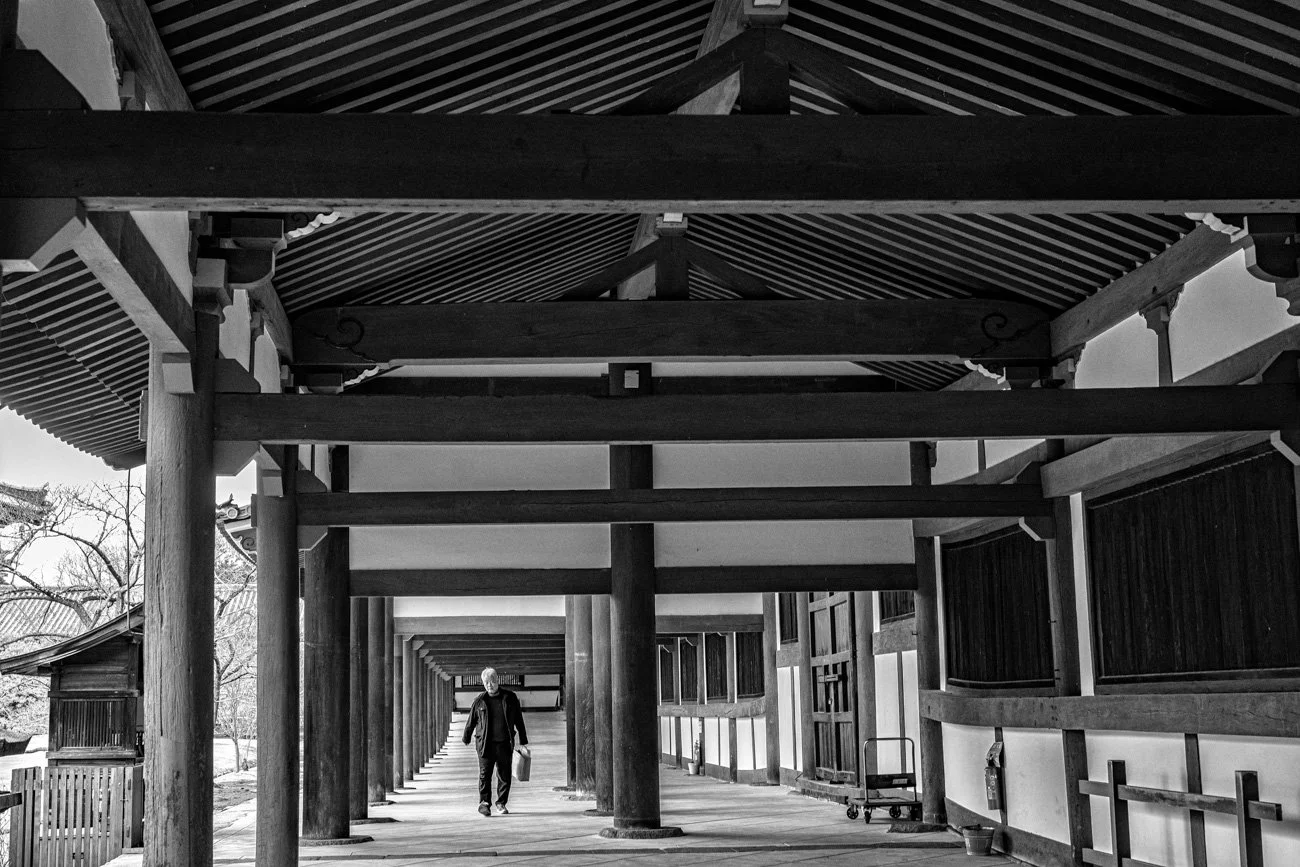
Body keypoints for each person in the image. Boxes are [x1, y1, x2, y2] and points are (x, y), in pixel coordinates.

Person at [462, 666, 529, 816]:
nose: (489, 685)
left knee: (504, 775)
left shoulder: (510, 698)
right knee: (485, 774)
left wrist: (523, 739)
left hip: (504, 743)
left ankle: (501, 803)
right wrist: (466, 737)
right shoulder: (479, 701)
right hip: (485, 745)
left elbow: (518, 718)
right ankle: (484, 803)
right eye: (486, 682)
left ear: (497, 680)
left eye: (492, 681)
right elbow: (471, 721)